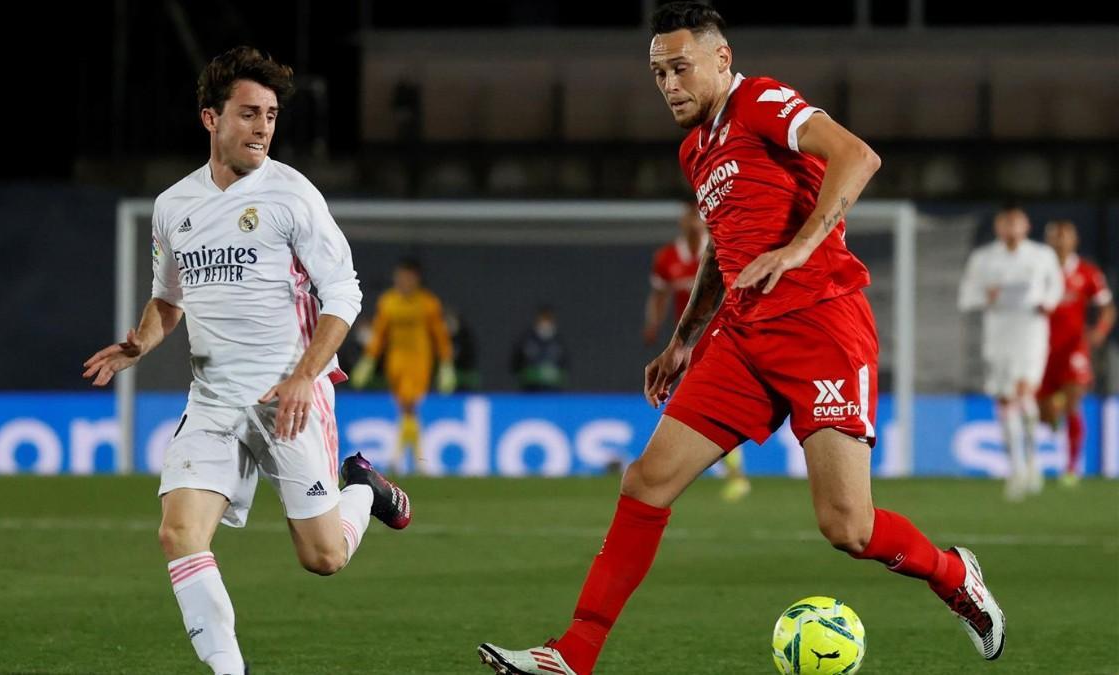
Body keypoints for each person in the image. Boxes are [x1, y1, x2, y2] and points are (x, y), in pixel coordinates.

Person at [478, 5, 1005, 674]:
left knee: (848, 526)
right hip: (743, 337)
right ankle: (573, 653)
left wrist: (801, 245)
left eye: (680, 67)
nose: (668, 84)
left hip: (821, 326)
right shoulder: (695, 147)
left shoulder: (760, 100)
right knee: (646, 481)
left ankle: (954, 576)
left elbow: (857, 156)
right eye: (657, 73)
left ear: (721, 59)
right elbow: (722, 248)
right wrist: (684, 337)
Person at [82, 47, 411, 675]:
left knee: (322, 558)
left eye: (271, 115)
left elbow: (344, 295)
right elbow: (168, 300)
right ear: (210, 118)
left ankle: (364, 491)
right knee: (178, 533)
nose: (263, 127)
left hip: (288, 397)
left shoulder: (292, 195)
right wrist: (139, 343)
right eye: (249, 113)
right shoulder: (174, 206)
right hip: (212, 399)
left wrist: (303, 376)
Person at [644, 200, 751, 501]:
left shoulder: (724, 247)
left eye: (696, 214)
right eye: (687, 215)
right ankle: (733, 474)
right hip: (691, 339)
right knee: (709, 404)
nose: (692, 221)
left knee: (702, 401)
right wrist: (653, 325)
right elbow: (660, 296)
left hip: (725, 334)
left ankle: (725, 474)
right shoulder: (666, 258)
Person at [958, 206, 1063, 500]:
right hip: (998, 338)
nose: (1011, 227)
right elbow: (966, 297)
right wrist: (985, 296)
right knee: (1005, 401)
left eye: (1016, 221)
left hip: (1030, 334)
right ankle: (1015, 467)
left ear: (1026, 225)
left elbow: (1056, 288)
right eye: (1006, 222)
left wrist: (1046, 302)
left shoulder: (1042, 256)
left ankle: (1032, 462)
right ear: (997, 226)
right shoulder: (983, 258)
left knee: (1024, 392)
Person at [351, 258, 456, 474]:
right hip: (395, 362)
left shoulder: (428, 303)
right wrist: (368, 360)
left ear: (416, 279)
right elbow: (380, 334)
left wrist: (446, 363)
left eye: (407, 277)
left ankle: (398, 458)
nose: (403, 281)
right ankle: (417, 460)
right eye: (400, 277)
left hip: (419, 361)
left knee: (409, 405)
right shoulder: (388, 302)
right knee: (406, 409)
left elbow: (440, 336)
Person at [1036, 220, 1114, 485]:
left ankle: (1071, 468)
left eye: (1064, 237)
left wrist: (1100, 330)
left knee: (1073, 403)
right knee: (1044, 414)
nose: (1060, 242)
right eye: (1055, 237)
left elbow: (1106, 307)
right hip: (1039, 348)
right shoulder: (1037, 271)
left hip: (1073, 347)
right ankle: (1052, 410)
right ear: (1048, 241)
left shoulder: (1087, 272)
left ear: (1074, 241)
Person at [511, 306, 569, 392]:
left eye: (548, 319)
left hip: (553, 391)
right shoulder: (526, 341)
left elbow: (566, 366)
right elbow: (515, 365)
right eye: (542, 319)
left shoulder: (558, 343)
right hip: (530, 390)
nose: (545, 323)